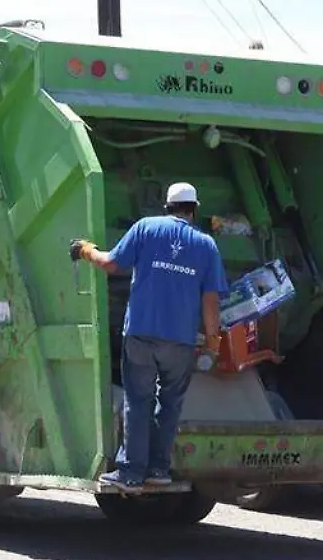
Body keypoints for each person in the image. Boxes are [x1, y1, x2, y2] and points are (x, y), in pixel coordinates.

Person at [70, 182, 228, 493]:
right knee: (169, 404)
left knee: (138, 401)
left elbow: (111, 264)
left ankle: (130, 472)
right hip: (180, 341)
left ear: (167, 206)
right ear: (194, 209)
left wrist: (85, 250)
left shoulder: (146, 228)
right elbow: (211, 301)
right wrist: (213, 343)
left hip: (141, 334)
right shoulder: (206, 245)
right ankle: (159, 470)